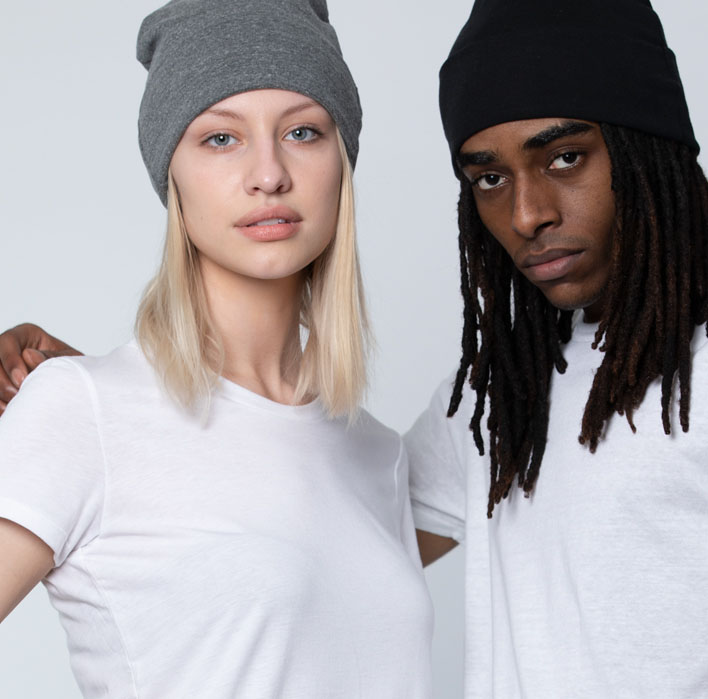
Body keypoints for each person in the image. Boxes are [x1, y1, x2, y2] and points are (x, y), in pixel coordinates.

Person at [0, 0, 433, 696]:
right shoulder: (80, 411)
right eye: (221, 138)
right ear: (170, 172)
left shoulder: (375, 453)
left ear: (342, 160)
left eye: (302, 131)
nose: (269, 173)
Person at [407, 0, 708, 696]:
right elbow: (327, 550)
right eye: (489, 178)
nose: (527, 214)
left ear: (648, 147)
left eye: (565, 157)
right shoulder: (495, 397)